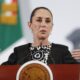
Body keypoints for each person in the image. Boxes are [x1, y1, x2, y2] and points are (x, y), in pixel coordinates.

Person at [1, 7, 78, 65]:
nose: (43, 24)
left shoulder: (62, 51)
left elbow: (77, 72)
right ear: (30, 25)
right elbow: (3, 72)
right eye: (39, 20)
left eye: (47, 21)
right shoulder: (19, 52)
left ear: (51, 27)